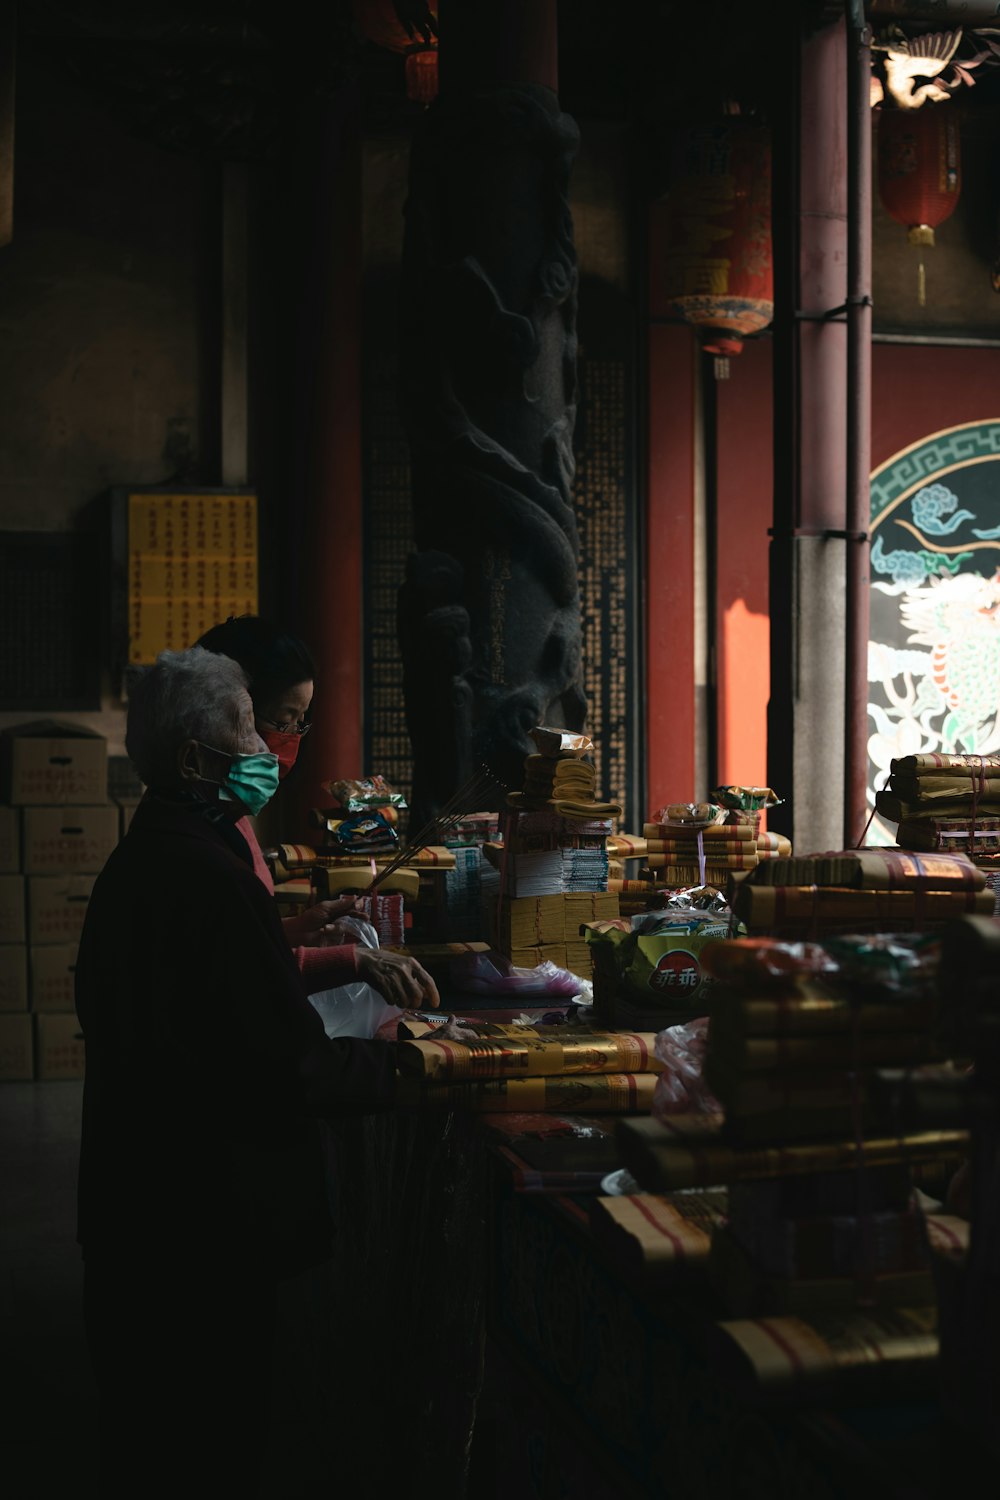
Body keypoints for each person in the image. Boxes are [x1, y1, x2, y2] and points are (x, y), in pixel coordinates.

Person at [74, 648, 411, 1496]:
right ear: (195, 760)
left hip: (140, 1208)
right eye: (244, 728)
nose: (261, 744)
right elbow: (285, 1063)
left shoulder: (154, 853)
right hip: (198, 1222)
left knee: (152, 1434)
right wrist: (412, 1069)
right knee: (207, 1436)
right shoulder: (203, 877)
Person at [196, 614, 435, 1011]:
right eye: (282, 721)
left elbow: (236, 940)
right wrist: (352, 961)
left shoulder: (229, 818)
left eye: (298, 725)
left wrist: (296, 929)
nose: (288, 743)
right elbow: (233, 970)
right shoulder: (189, 844)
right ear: (222, 713)